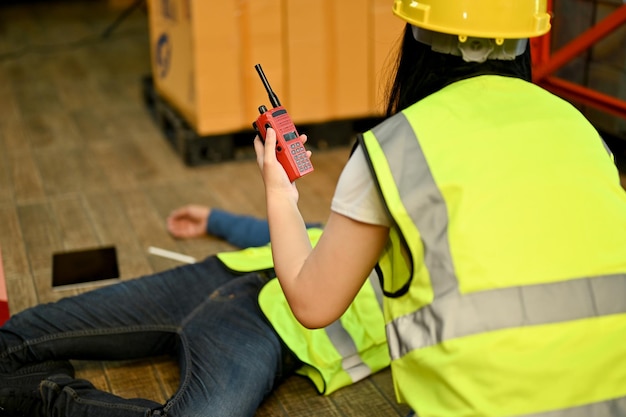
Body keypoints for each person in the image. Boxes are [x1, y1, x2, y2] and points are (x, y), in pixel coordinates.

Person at [253, 1, 626, 416]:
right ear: (526, 37)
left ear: (418, 36)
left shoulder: (396, 146)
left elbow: (311, 302)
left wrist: (279, 191)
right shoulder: (580, 128)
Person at [0, 206, 389, 417]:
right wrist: (216, 219)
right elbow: (302, 229)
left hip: (268, 336)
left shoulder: (437, 308)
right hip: (223, 274)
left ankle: (43, 393)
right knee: (19, 335)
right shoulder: (383, 220)